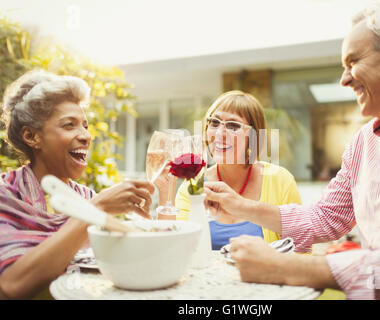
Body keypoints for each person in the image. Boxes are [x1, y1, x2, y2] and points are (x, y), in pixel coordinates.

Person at [204, 2, 380, 300]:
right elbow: (327, 218)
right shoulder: (364, 142)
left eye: (352, 62)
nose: (345, 79)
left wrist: (284, 267)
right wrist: (241, 206)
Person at [0, 70, 154, 299]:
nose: (85, 136)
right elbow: (12, 284)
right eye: (69, 125)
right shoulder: (6, 194)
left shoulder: (84, 195)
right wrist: (96, 209)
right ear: (32, 137)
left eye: (85, 125)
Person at [168, 90, 302, 250]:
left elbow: (301, 249)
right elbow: (179, 249)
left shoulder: (280, 180)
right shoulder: (192, 188)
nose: (219, 133)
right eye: (214, 123)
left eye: (233, 126)